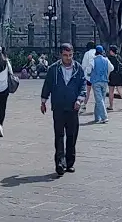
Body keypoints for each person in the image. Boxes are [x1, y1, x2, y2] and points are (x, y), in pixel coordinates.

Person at [40, 43, 87, 175]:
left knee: (72, 136)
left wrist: (79, 99)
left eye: (70, 55)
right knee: (59, 135)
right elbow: (47, 85)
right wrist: (43, 101)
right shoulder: (53, 69)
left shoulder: (78, 69)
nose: (68, 58)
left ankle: (70, 162)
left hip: (73, 107)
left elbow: (83, 85)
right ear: (61, 55)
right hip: (58, 106)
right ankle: (60, 162)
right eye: (65, 55)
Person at [87, 45, 111, 124]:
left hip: (96, 81)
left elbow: (88, 70)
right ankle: (97, 117)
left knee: (99, 99)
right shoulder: (106, 60)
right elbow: (112, 68)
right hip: (104, 81)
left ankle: (104, 117)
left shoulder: (93, 60)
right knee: (101, 99)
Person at [107, 45, 122, 112]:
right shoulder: (119, 57)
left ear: (111, 51)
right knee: (120, 91)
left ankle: (111, 106)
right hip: (120, 76)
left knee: (111, 91)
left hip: (112, 76)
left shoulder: (110, 58)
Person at [79, 42, 97, 112]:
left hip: (89, 76)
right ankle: (99, 106)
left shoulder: (87, 53)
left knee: (87, 91)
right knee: (97, 92)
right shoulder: (98, 52)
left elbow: (83, 65)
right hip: (98, 76)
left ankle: (84, 105)